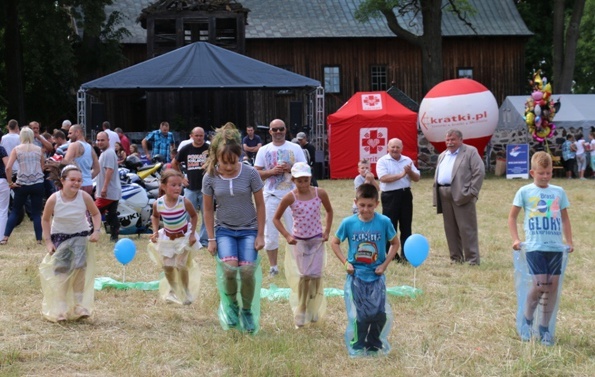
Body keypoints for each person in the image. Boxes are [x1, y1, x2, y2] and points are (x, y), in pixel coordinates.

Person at [202, 123, 265, 333]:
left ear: (239, 156)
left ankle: (246, 311)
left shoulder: (250, 174)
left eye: (233, 161)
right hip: (224, 230)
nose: (229, 166)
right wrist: (211, 239)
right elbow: (208, 210)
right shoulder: (209, 177)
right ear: (216, 158)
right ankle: (232, 307)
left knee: (247, 271)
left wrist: (260, 234)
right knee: (229, 270)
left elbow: (261, 204)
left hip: (248, 229)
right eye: (224, 162)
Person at [508, 151, 574, 346]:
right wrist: (516, 239)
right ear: (532, 172)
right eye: (541, 173)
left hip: (555, 247)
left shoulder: (558, 192)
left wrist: (569, 240)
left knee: (552, 285)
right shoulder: (524, 192)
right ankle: (527, 320)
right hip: (535, 246)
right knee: (539, 285)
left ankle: (544, 327)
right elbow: (512, 217)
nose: (545, 177)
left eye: (548, 173)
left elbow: (565, 218)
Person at [330, 183, 399, 355]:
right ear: (355, 202)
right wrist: (346, 263)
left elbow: (395, 243)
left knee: (379, 313)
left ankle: (374, 342)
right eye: (362, 205)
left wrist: (384, 264)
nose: (366, 209)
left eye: (370, 205)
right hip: (357, 276)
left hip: (376, 275)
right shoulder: (348, 223)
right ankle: (358, 343)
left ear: (377, 203)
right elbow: (334, 242)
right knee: (361, 315)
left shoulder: (384, 222)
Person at [273, 162, 333, 327]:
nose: (303, 184)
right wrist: (287, 235)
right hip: (299, 241)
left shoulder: (319, 193)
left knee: (316, 276)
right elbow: (276, 218)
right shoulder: (290, 197)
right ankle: (302, 307)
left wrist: (326, 230)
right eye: (299, 181)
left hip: (316, 240)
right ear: (293, 180)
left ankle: (313, 307)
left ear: (310, 178)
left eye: (306, 180)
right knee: (304, 275)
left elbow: (329, 210)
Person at [40, 165, 101, 322]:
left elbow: (95, 213)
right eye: (72, 180)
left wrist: (96, 230)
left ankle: (79, 305)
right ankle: (61, 308)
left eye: (79, 180)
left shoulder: (84, 196)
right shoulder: (54, 198)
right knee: (62, 271)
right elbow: (45, 219)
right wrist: (48, 242)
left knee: (80, 268)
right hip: (60, 238)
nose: (76, 183)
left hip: (80, 236)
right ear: (62, 181)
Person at [254, 119, 307, 277]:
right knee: (270, 233)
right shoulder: (264, 150)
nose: (278, 132)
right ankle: (273, 267)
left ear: (286, 130)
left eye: (281, 129)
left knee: (296, 231)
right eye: (275, 130)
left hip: (292, 195)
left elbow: (305, 170)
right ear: (270, 131)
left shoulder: (295, 148)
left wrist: (291, 169)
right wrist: (271, 172)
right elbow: (256, 173)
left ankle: (298, 267)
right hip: (271, 195)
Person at [433, 129, 485, 265]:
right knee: (450, 228)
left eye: (453, 139)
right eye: (448, 140)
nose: (450, 142)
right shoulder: (442, 155)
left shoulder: (470, 152)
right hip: (444, 194)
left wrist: (472, 192)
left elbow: (479, 172)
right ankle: (455, 258)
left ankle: (472, 260)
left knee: (467, 228)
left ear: (461, 140)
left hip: (462, 195)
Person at [150, 169, 199, 305]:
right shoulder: (158, 204)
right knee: (167, 266)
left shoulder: (184, 201)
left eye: (179, 185)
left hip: (183, 237)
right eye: (173, 185)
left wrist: (193, 233)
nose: (177, 188)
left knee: (181, 264)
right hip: (168, 238)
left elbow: (194, 216)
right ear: (164, 186)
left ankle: (185, 290)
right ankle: (173, 290)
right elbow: (155, 216)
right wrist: (155, 231)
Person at [376, 138, 420, 262]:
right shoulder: (382, 161)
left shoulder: (407, 161)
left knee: (406, 225)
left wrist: (410, 171)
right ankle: (392, 255)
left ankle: (406, 255)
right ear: (388, 148)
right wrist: (401, 175)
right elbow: (383, 178)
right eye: (393, 147)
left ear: (402, 148)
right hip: (390, 196)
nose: (395, 149)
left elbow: (417, 178)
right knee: (391, 225)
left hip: (405, 194)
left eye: (398, 147)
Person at [3, 127, 46, 245]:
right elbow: (42, 166)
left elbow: (8, 168)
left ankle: (5, 237)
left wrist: (10, 182)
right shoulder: (38, 149)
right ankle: (38, 240)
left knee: (15, 211)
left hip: (22, 183)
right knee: (37, 213)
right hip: (37, 183)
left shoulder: (16, 150)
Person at [172, 126, 209, 247]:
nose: (199, 138)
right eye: (196, 135)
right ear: (191, 136)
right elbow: (174, 163)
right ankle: (186, 238)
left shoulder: (209, 149)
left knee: (206, 215)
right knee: (187, 215)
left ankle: (204, 240)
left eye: (201, 135)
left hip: (206, 188)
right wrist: (181, 178)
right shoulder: (186, 149)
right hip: (190, 187)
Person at [94, 132, 121, 242]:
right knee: (111, 215)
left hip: (108, 192)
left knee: (94, 212)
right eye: (98, 140)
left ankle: (90, 234)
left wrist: (104, 188)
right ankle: (114, 236)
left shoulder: (108, 153)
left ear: (108, 140)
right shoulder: (106, 152)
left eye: (102, 140)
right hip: (110, 191)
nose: (99, 142)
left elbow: (109, 170)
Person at [63, 124, 100, 195]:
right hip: (88, 184)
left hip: (75, 185)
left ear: (77, 132)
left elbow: (65, 164)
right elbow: (97, 169)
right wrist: (87, 177)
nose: (68, 136)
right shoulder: (90, 147)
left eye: (70, 133)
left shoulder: (73, 145)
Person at [0, 145, 9, 240]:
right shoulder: (1, 149)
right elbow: (7, 166)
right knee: (3, 209)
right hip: (1, 180)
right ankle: (1, 236)